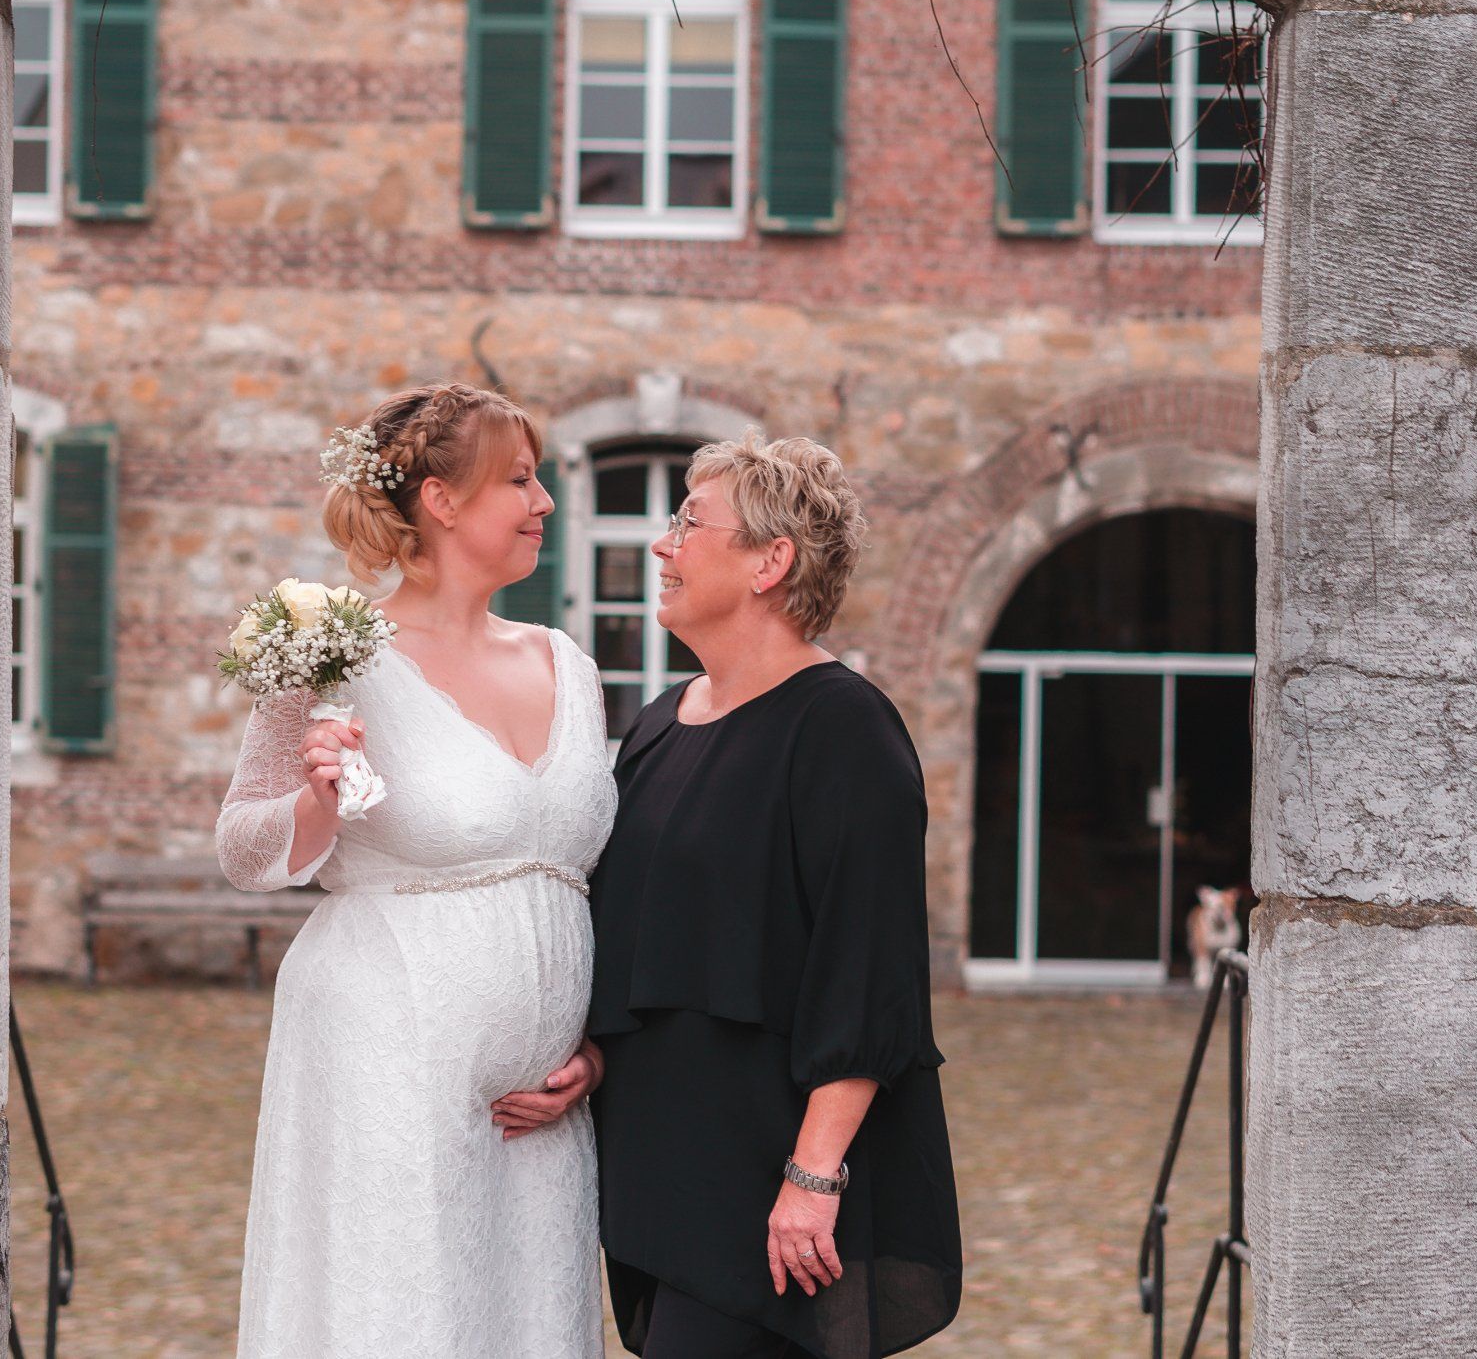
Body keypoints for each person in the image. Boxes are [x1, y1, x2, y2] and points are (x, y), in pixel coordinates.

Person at [214, 382, 614, 1359]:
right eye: (518, 479)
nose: (544, 501)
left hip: (546, 1113)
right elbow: (244, 846)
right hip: (385, 1059)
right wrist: (317, 795)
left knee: (532, 1322)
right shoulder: (339, 653)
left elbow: (601, 876)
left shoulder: (570, 662)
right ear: (441, 499)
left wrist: (598, 1048)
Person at [586, 432, 959, 1358]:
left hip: (771, 1179)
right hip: (660, 1168)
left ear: (770, 561)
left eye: (688, 522)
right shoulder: (657, 727)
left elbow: (870, 975)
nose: (663, 546)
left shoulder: (844, 729)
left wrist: (813, 1177)